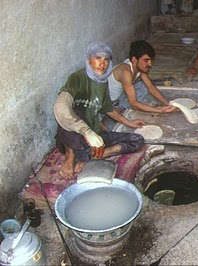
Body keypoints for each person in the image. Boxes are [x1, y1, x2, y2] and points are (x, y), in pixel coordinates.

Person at [53, 42, 146, 179]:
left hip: (94, 138)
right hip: (73, 139)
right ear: (88, 59)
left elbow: (109, 109)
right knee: (74, 112)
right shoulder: (77, 78)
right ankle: (70, 156)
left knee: (137, 140)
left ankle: (95, 156)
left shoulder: (103, 82)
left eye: (106, 60)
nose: (102, 64)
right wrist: (87, 131)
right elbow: (59, 106)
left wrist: (129, 123)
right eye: (98, 58)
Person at [108, 40, 176, 114]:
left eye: (150, 60)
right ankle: (117, 109)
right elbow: (133, 104)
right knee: (136, 98)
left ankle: (122, 107)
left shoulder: (139, 67)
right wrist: (159, 110)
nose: (150, 64)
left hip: (121, 95)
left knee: (143, 86)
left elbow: (151, 87)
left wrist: (168, 104)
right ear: (134, 59)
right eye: (146, 60)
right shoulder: (125, 72)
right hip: (110, 101)